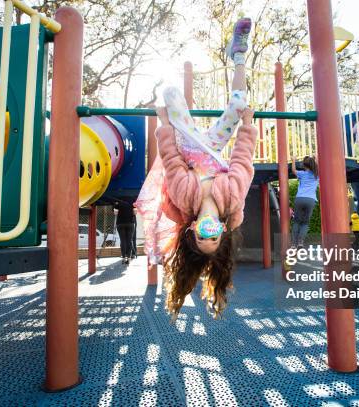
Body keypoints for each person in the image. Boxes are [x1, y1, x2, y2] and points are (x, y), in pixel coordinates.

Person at [136, 18, 256, 318]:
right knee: (240, 103)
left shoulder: (183, 199)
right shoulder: (231, 200)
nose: (207, 234)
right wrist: (248, 125)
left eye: (201, 238)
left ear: (193, 231)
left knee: (171, 93)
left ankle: (178, 105)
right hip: (213, 147)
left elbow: (172, 161)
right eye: (213, 238)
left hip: (188, 145)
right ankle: (238, 55)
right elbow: (242, 159)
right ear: (221, 232)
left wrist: (164, 125)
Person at [290, 155, 318, 248]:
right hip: (311, 200)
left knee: (297, 221)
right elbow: (317, 166)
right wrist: (316, 159)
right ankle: (301, 242)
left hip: (300, 198)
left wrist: (293, 160)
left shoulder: (302, 173)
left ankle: (294, 244)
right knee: (305, 222)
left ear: (304, 166)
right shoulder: (316, 174)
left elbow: (293, 170)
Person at [115, 199, 137, 265]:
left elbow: (115, 213)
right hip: (130, 223)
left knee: (123, 240)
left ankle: (124, 257)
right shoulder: (132, 201)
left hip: (120, 223)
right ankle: (129, 258)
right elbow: (135, 212)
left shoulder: (117, 201)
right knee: (130, 240)